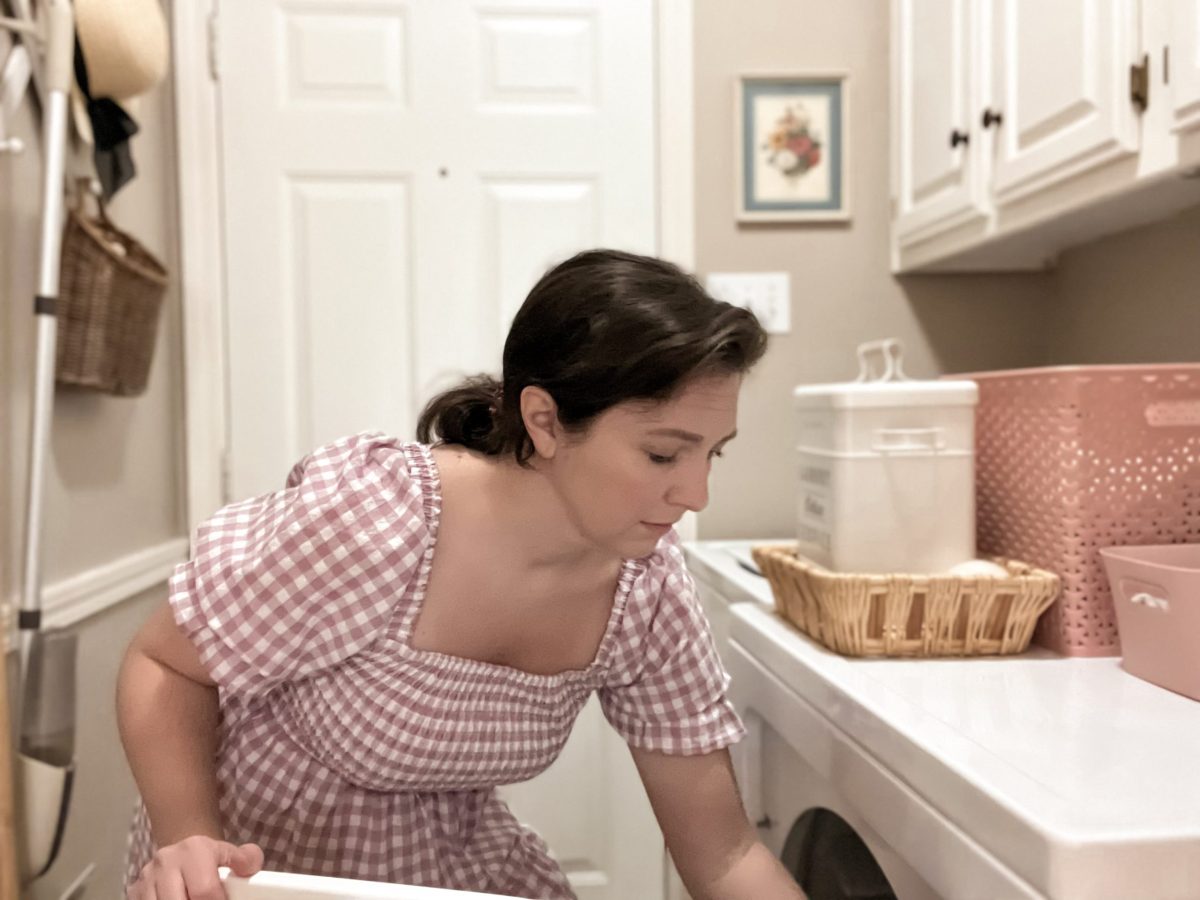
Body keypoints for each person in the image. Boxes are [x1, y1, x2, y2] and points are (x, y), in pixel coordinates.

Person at [118, 249, 807, 899]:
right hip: (261, 866)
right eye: (663, 455)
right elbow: (166, 663)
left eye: (713, 455)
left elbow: (724, 856)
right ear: (544, 421)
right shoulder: (378, 521)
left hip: (444, 868)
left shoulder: (646, 591)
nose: (696, 495)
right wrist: (189, 838)